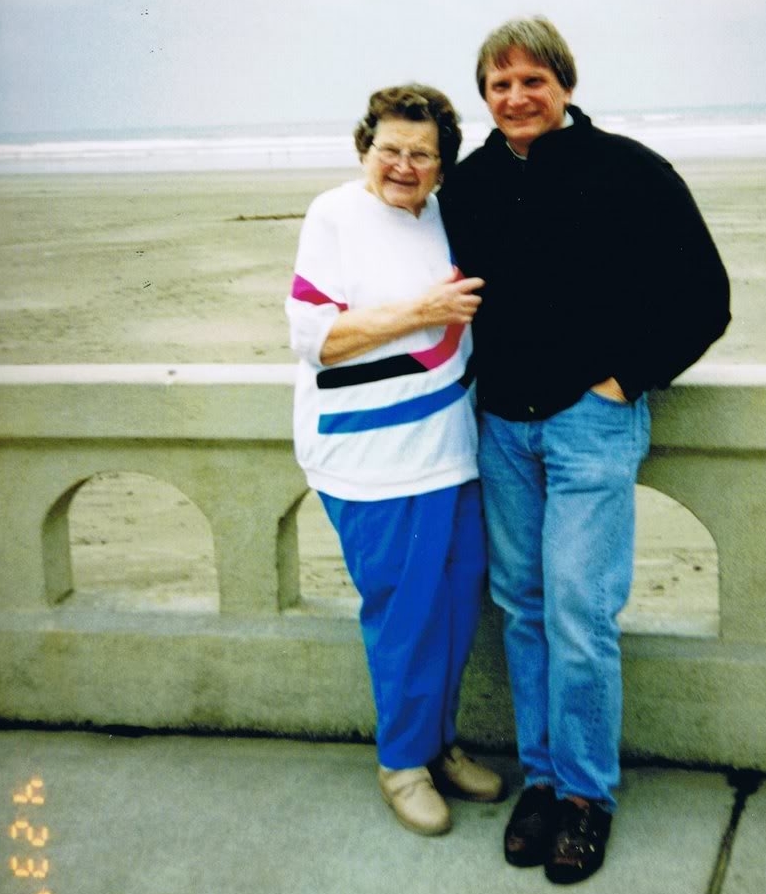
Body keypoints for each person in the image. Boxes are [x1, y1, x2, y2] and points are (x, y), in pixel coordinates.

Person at [438, 16, 730, 884]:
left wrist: (625, 378)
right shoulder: (472, 183)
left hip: (590, 423)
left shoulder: (631, 171)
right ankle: (543, 780)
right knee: (523, 605)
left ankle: (587, 798)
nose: (516, 97)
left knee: (579, 608)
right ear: (484, 96)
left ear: (563, 83)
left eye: (532, 80)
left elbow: (704, 296)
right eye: (499, 85)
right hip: (500, 426)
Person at [286, 84, 503, 837]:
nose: (403, 167)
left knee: (456, 602)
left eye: (421, 154)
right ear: (364, 148)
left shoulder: (448, 217)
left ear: (443, 165)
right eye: (390, 150)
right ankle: (400, 764)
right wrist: (421, 314)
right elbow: (317, 338)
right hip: (367, 459)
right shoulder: (335, 214)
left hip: (450, 453)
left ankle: (439, 744)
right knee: (403, 615)